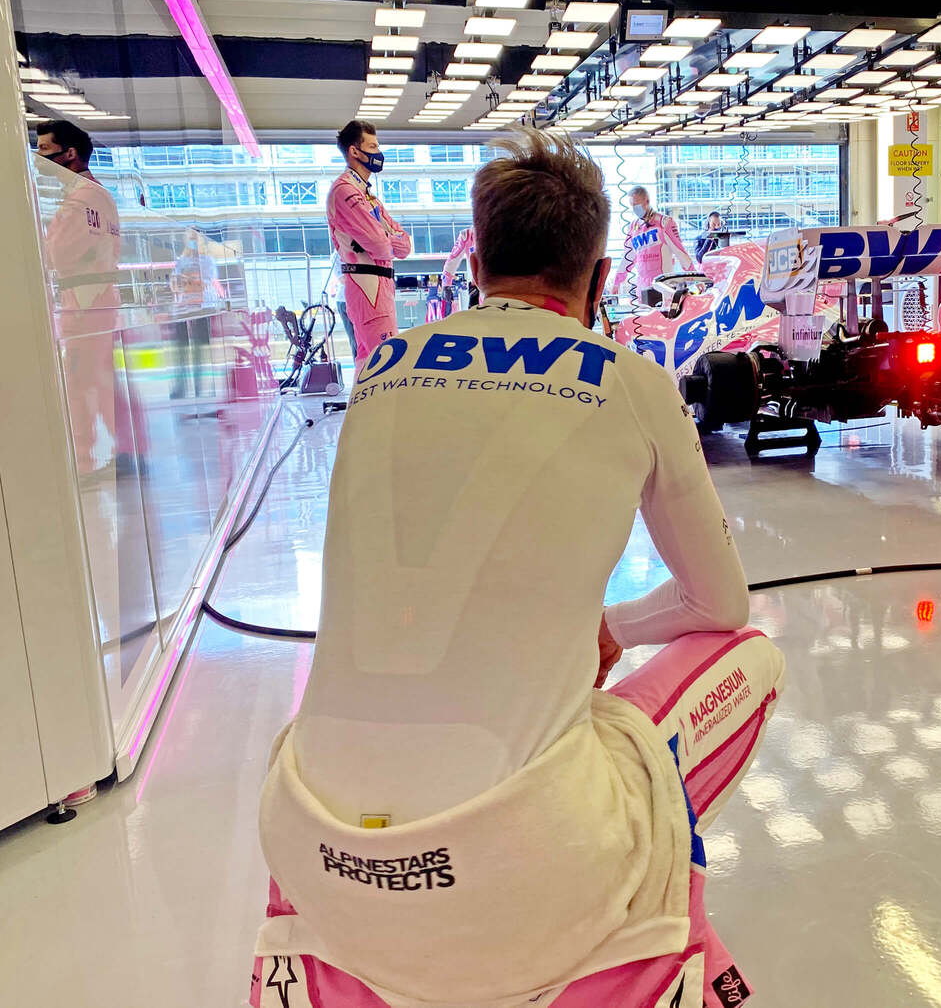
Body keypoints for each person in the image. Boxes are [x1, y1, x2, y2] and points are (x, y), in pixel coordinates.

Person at [251, 130, 784, 1008]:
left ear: (479, 263)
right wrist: (609, 629)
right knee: (749, 649)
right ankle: (652, 948)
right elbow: (716, 600)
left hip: (309, 850)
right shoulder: (633, 380)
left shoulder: (383, 367)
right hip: (523, 873)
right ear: (601, 281)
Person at [38, 119, 149, 480]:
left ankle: (83, 463)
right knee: (103, 380)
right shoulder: (96, 194)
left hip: (84, 300)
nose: (40, 159)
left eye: (44, 150)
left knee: (80, 382)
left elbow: (53, 253)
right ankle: (131, 448)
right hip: (96, 298)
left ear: (70, 154)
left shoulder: (81, 198)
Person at [326, 120, 411, 366]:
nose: (378, 153)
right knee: (384, 365)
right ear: (354, 151)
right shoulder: (345, 191)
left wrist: (385, 237)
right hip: (366, 285)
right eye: (372, 146)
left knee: (369, 363)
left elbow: (404, 246)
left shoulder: (367, 195)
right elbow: (381, 246)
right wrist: (386, 237)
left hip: (378, 284)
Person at [609, 186, 694, 307]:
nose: (634, 209)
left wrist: (694, 277)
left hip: (664, 286)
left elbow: (680, 252)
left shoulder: (665, 222)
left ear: (647, 201)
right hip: (642, 288)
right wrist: (617, 282)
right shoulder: (633, 227)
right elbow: (627, 258)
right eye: (632, 205)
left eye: (637, 204)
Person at [170, 237, 220, 400]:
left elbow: (207, 281)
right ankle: (181, 388)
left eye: (195, 240)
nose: (193, 244)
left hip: (202, 310)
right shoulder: (182, 261)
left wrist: (191, 279)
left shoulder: (207, 261)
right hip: (184, 311)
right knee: (181, 352)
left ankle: (202, 388)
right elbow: (175, 281)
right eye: (190, 240)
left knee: (201, 352)